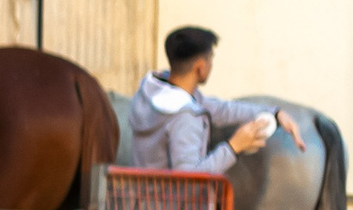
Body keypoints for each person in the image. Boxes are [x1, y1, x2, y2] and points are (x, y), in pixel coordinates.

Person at [129, 25, 306, 172]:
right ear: (201, 66)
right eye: (210, 58)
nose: (211, 64)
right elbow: (188, 179)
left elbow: (221, 110)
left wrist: (274, 113)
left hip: (145, 208)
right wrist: (234, 146)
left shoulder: (151, 93)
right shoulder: (184, 116)